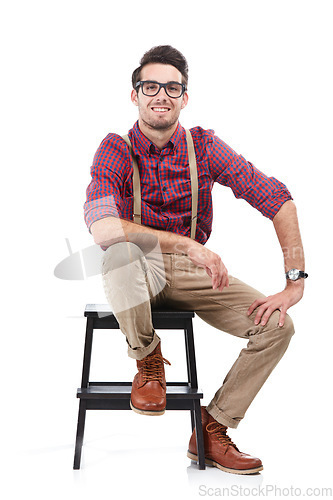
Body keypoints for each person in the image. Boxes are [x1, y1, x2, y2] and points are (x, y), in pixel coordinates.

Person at [83, 45, 306, 475]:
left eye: (172, 87)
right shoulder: (114, 149)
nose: (161, 95)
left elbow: (278, 199)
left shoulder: (202, 146)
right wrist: (186, 245)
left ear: (184, 97)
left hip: (191, 276)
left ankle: (211, 427)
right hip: (137, 272)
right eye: (151, 86)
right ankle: (147, 360)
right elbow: (103, 229)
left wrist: (294, 282)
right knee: (121, 255)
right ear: (135, 94)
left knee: (278, 328)